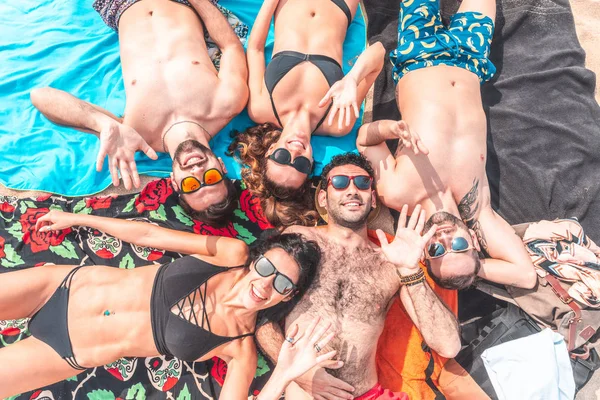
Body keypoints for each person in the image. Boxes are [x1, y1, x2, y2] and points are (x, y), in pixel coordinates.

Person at [0, 209, 333, 399]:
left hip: (66, 350)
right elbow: (151, 236)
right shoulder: (232, 254)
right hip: (61, 285)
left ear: (288, 296)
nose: (266, 283)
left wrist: (286, 373)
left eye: (282, 283)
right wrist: (78, 220)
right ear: (254, 262)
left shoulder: (240, 350)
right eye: (265, 268)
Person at [357, 0, 537, 290]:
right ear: (474, 241)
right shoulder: (478, 210)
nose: (444, 239)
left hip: (418, 53)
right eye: (458, 245)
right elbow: (526, 276)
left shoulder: (396, 192)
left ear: (424, 254)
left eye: (437, 251)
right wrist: (474, 268)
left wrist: (391, 128)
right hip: (470, 57)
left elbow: (364, 138)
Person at [256, 153, 461, 399]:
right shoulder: (301, 240)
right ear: (323, 197)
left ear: (373, 199)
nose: (352, 190)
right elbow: (261, 318)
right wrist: (299, 374)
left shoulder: (391, 260)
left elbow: (448, 345)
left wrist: (410, 270)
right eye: (340, 182)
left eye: (362, 183)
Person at [30, 0, 248, 225]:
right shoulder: (228, 104)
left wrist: (101, 123)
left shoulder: (133, 134)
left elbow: (40, 96)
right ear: (222, 167)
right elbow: (230, 47)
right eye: (211, 178)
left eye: (191, 185)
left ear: (174, 182)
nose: (197, 171)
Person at [229, 0, 385, 227]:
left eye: (282, 158)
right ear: (311, 163)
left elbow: (255, 49)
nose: (295, 151)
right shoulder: (338, 122)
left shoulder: (261, 108)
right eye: (301, 165)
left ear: (270, 150)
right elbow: (378, 53)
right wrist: (353, 79)